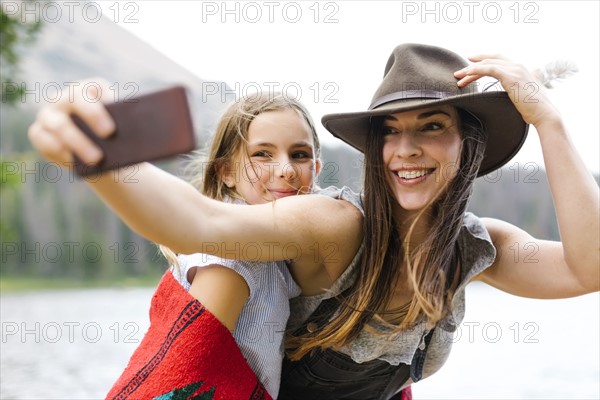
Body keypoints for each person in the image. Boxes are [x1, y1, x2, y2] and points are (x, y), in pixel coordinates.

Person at [27, 43, 598, 400]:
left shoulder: (476, 247)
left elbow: (587, 267)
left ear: (468, 144)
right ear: (373, 149)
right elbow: (195, 222)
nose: (407, 149)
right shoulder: (335, 225)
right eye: (390, 131)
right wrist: (97, 158)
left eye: (432, 126)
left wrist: (547, 119)